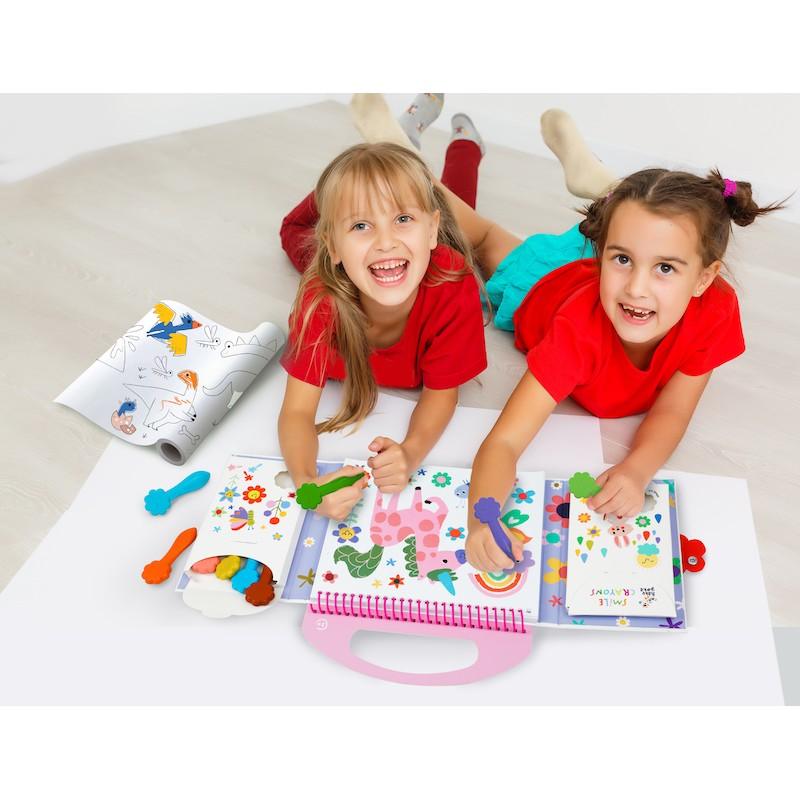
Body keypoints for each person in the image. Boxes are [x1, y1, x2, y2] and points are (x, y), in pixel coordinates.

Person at [348, 97, 784, 572]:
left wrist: (637, 469)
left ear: (704, 279)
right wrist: (480, 522)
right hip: (545, 285)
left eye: (665, 268)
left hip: (593, 272)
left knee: (635, 235)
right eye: (622, 259)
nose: (638, 289)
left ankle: (601, 189)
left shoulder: (714, 308)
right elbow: (504, 443)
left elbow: (675, 408)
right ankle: (403, 166)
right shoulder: (575, 332)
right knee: (485, 238)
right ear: (603, 255)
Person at [278, 122, 488, 523]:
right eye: (361, 225)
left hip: (409, 249)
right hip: (338, 258)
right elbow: (296, 412)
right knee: (293, 232)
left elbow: (441, 394)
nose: (385, 241)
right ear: (333, 247)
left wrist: (411, 451)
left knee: (461, 207)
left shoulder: (451, 279)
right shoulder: (320, 299)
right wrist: (308, 488)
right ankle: (382, 161)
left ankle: (463, 145)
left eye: (402, 219)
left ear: (432, 232)